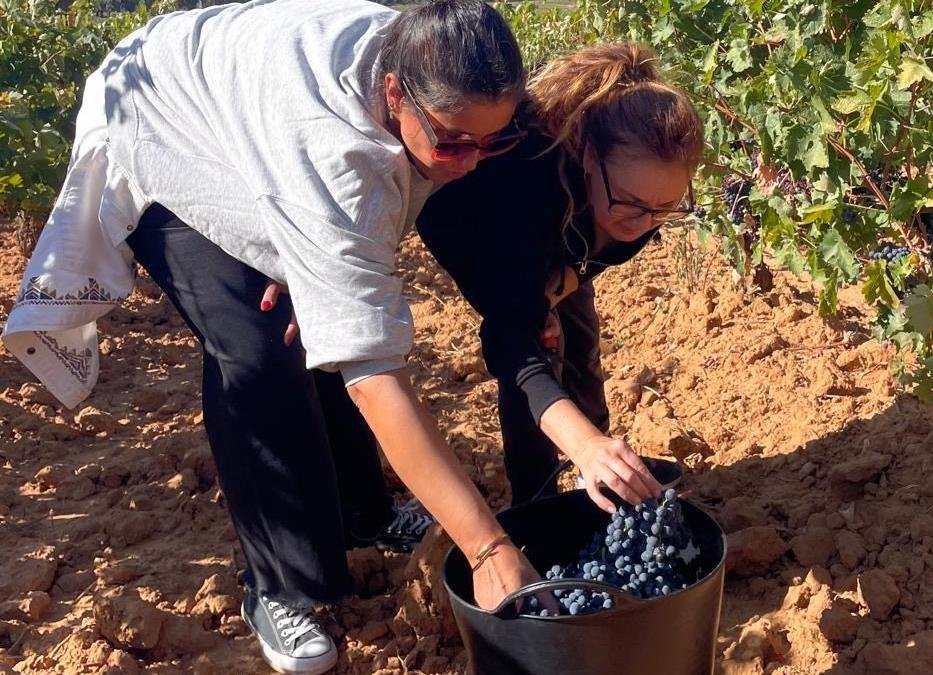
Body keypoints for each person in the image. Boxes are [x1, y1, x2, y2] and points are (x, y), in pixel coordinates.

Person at [2, 1, 546, 673]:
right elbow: (373, 375)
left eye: (492, 141)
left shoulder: (431, 57)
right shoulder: (332, 147)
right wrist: (489, 548)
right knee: (257, 349)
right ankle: (278, 585)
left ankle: (362, 516)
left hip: (249, 116)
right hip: (161, 121)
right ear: (394, 91)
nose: (471, 161)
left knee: (325, 312)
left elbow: (353, 256)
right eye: (454, 142)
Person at [415, 42, 703, 511]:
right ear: (587, 155)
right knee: (532, 348)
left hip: (564, 224)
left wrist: (565, 283)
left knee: (579, 344)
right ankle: (537, 501)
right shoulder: (528, 190)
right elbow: (507, 341)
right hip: (470, 228)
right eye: (631, 205)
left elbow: (617, 243)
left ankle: (601, 479)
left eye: (664, 209)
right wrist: (534, 305)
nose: (643, 223)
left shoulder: (641, 195)